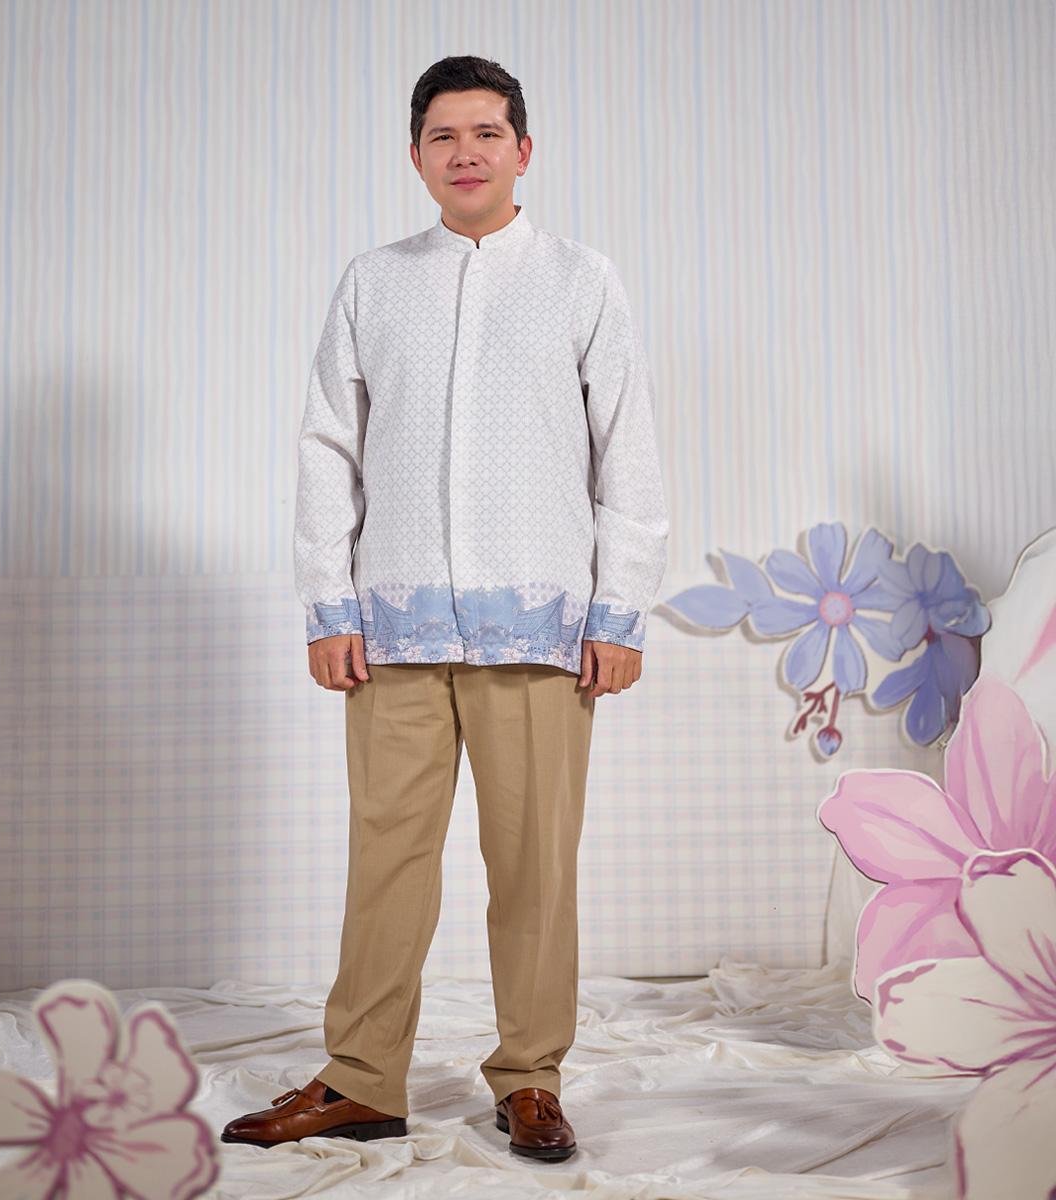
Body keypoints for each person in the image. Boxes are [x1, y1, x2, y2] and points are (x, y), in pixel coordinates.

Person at [222, 55, 669, 1163]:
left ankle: (531, 1078)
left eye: (485, 133)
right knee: (385, 862)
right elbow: (327, 446)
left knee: (533, 867)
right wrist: (329, 604)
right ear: (416, 155)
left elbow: (629, 452)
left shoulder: (581, 280)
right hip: (395, 627)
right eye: (443, 136)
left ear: (524, 150)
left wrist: (620, 613)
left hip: (541, 629)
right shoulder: (375, 282)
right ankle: (360, 1078)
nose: (465, 152)